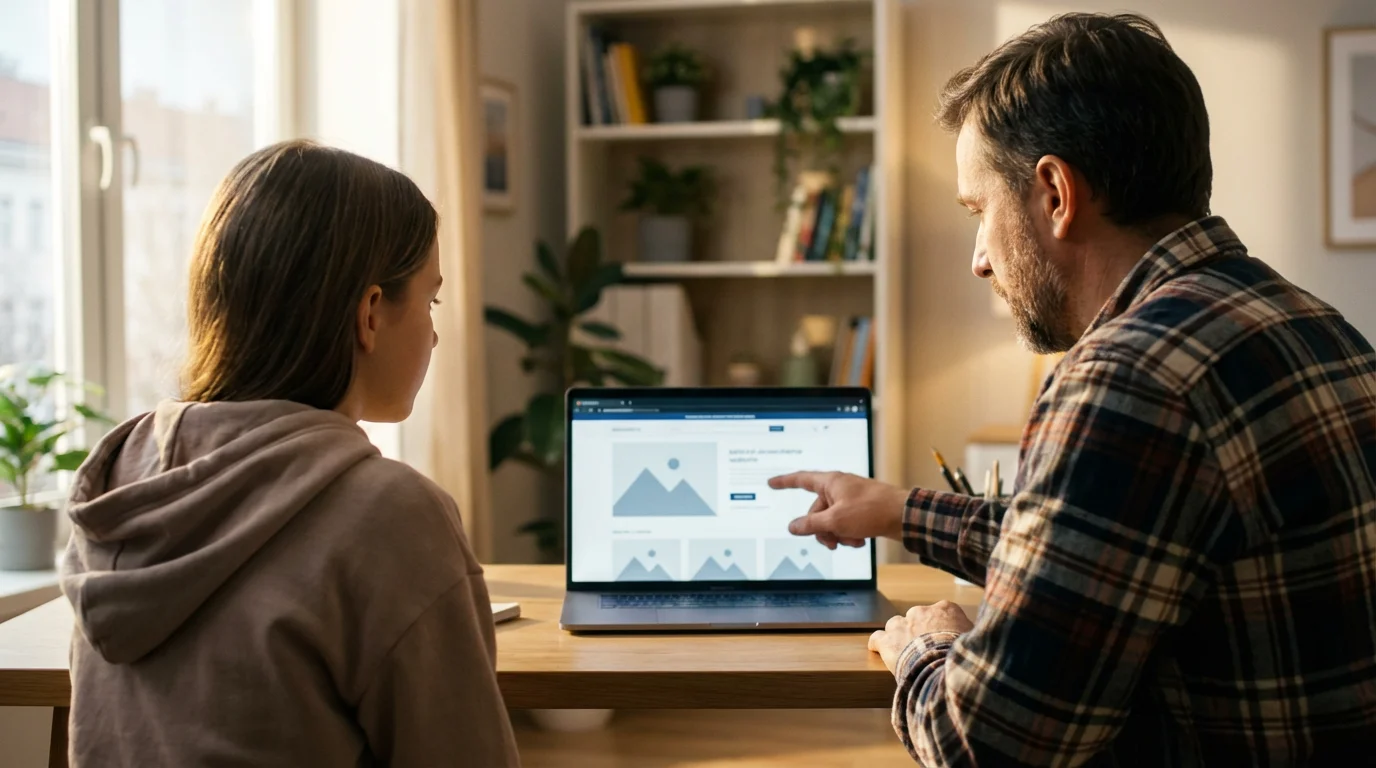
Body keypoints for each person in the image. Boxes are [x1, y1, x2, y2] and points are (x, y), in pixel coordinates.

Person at [771, 13, 1376, 766]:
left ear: (1055, 193)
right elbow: (1108, 543)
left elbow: (988, 744)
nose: (979, 260)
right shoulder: (1308, 323)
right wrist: (899, 509)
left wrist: (927, 648)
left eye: (978, 211)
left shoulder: (1129, 379)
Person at [59, 141, 521, 767]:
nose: (435, 332)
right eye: (431, 300)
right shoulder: (391, 516)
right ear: (371, 313)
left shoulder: (126, 476)